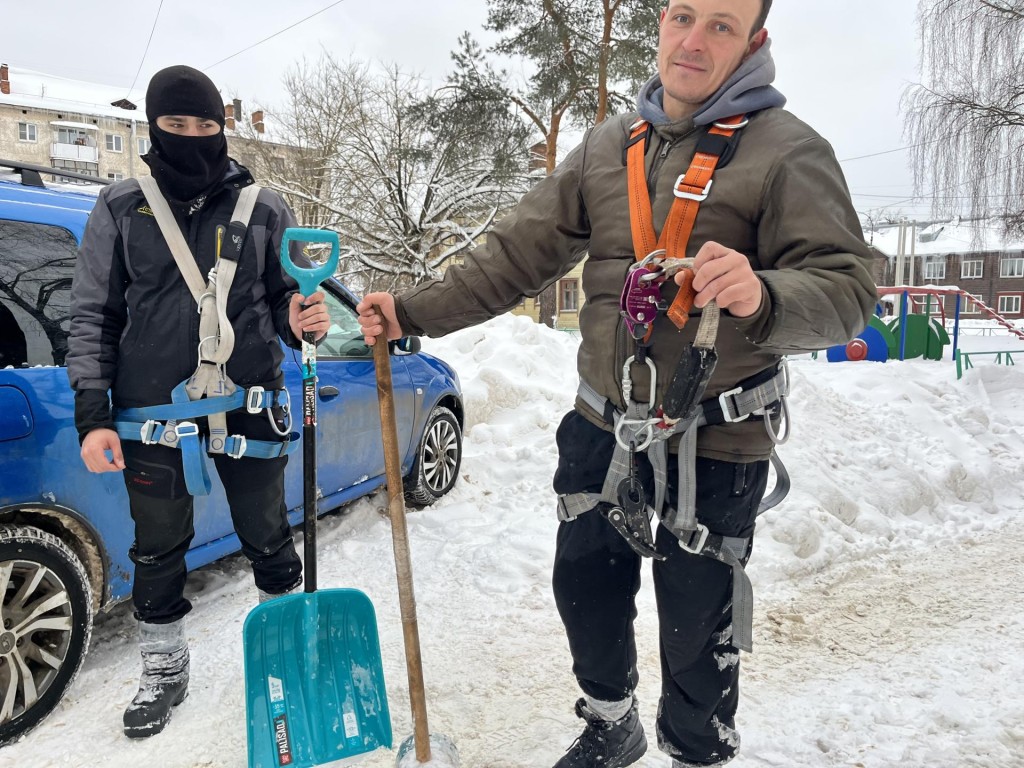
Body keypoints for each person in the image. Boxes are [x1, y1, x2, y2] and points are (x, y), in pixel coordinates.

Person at [357, 0, 877, 765]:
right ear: (662, 22)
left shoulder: (789, 153)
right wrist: (410, 312)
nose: (693, 41)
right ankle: (611, 722)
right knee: (587, 590)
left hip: (717, 438)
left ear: (755, 40)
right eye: (682, 16)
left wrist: (765, 295)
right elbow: (514, 253)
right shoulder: (609, 147)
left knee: (698, 621)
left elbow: (849, 290)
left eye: (721, 26)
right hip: (602, 424)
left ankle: (697, 746)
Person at [67, 65, 330, 739]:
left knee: (269, 535)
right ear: (154, 126)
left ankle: (291, 654)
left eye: (205, 125)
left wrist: (303, 318)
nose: (192, 136)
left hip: (249, 405)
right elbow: (92, 312)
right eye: (176, 125)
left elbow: (283, 298)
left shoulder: (265, 208)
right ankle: (163, 667)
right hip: (151, 414)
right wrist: (92, 414)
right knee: (157, 547)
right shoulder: (121, 206)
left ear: (223, 127)